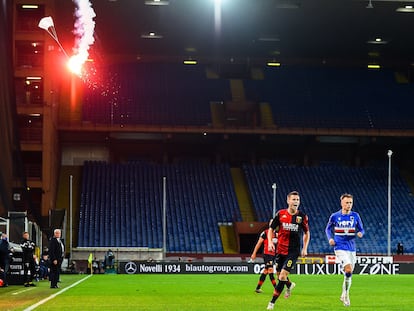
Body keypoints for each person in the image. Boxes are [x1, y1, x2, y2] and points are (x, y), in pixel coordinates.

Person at [266, 191, 310, 310]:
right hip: (280, 250)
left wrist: (305, 248)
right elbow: (271, 229)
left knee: (282, 276)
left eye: (297, 200)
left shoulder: (301, 216)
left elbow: (307, 232)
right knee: (279, 274)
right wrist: (270, 242)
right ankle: (290, 285)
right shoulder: (280, 214)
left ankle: (272, 303)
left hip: (293, 251)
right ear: (288, 201)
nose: (296, 202)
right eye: (294, 199)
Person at [325, 193, 365, 307]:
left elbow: (362, 229)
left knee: (349, 273)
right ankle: (347, 295)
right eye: (346, 202)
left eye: (350, 202)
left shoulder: (356, 216)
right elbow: (327, 229)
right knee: (348, 270)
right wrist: (330, 238)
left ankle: (344, 293)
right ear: (341, 203)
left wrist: (361, 233)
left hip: (351, 248)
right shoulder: (335, 216)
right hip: (339, 247)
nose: (349, 205)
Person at [250, 220, 278, 293]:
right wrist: (254, 253)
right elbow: (259, 243)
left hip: (273, 255)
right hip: (267, 254)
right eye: (271, 222)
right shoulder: (265, 233)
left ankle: (258, 288)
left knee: (266, 271)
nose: (272, 223)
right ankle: (277, 288)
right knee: (271, 270)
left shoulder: (276, 234)